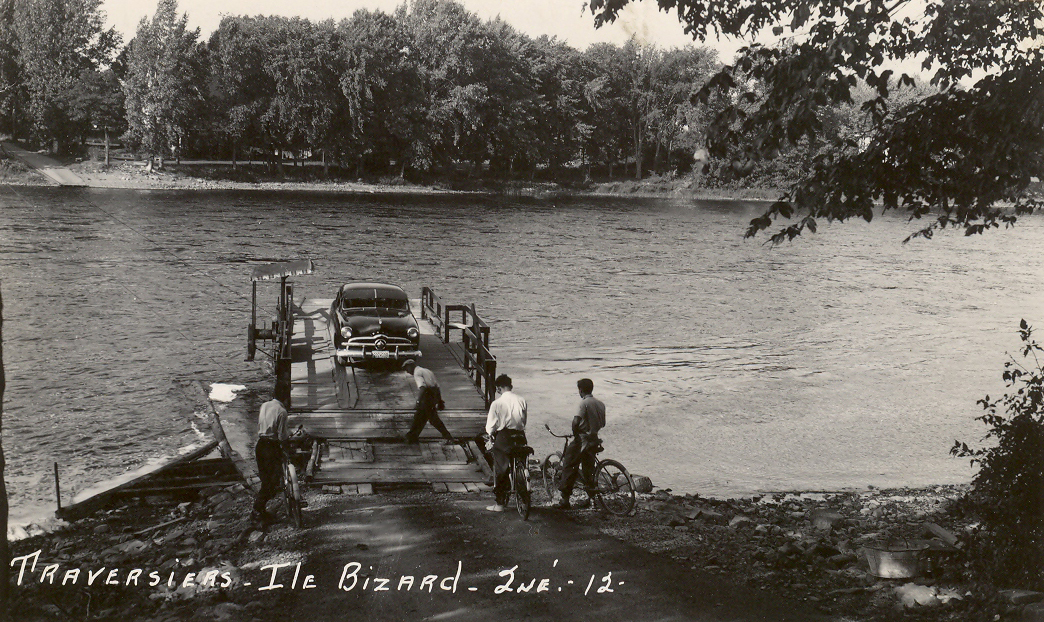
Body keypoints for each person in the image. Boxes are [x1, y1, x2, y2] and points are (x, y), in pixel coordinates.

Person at [551, 378, 605, 510]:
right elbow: (603, 424)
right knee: (588, 469)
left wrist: (575, 433)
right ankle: (592, 499)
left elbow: (576, 422)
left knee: (569, 464)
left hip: (582, 439)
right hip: (594, 438)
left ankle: (564, 500)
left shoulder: (583, 403)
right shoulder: (600, 404)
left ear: (580, 390)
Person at [484, 374, 528, 512]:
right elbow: (524, 421)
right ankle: (522, 482)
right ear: (511, 386)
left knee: (500, 467)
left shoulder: (497, 403)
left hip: (505, 436)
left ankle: (500, 504)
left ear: (498, 388)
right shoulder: (522, 400)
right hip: (520, 435)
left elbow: (490, 426)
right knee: (520, 459)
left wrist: (491, 434)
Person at [252, 396, 289, 522]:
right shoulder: (282, 412)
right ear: (286, 400)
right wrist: (286, 448)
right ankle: (257, 509)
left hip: (260, 445)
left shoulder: (265, 405)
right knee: (272, 481)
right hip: (271, 448)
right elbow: (282, 436)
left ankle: (260, 510)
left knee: (265, 479)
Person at [402, 359, 456, 445]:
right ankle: (412, 437)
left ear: (410, 366)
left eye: (406, 369)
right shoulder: (427, 371)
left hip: (426, 397)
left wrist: (418, 401)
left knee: (429, 418)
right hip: (433, 395)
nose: (407, 372)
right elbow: (436, 386)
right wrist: (439, 400)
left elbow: (423, 388)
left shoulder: (417, 373)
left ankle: (448, 437)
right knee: (422, 417)